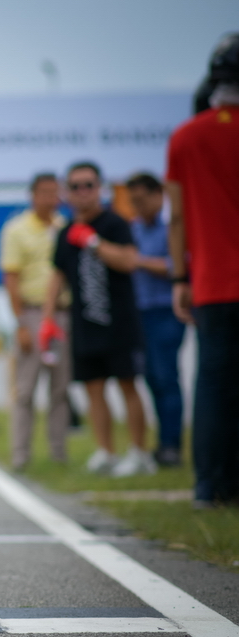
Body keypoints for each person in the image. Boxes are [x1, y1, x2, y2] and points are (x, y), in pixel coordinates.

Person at [42, 161, 153, 477]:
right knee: (93, 389)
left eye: (88, 185)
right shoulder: (65, 232)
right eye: (75, 187)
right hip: (85, 324)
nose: (83, 192)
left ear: (99, 188)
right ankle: (106, 452)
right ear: (67, 193)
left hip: (119, 322)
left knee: (128, 385)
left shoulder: (115, 223)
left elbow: (130, 261)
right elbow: (57, 277)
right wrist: (48, 320)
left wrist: (93, 242)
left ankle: (140, 452)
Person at [167, 32, 239, 508]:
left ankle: (208, 488)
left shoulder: (186, 136)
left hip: (212, 281)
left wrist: (179, 278)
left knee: (212, 383)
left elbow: (176, 217)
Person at [0, 172, 70, 470]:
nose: (51, 198)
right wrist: (20, 323)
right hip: (32, 312)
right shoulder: (17, 230)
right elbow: (11, 279)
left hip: (63, 314)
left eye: (56, 192)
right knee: (25, 389)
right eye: (45, 192)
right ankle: (20, 454)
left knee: (61, 387)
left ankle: (58, 453)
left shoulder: (64, 228)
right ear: (33, 195)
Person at [126, 172, 185, 466]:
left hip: (166, 310)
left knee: (166, 376)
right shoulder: (133, 229)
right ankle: (162, 442)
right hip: (140, 312)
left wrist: (140, 261)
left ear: (157, 195)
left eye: (140, 199)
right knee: (151, 378)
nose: (137, 206)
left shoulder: (170, 228)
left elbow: (179, 265)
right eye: (132, 201)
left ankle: (172, 444)